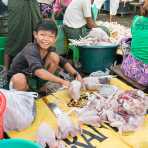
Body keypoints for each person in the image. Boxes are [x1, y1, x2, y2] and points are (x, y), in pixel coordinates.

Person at [7, 19, 82, 92]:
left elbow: (63, 62)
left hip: (32, 77)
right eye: (42, 35)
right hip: (17, 82)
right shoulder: (30, 49)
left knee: (55, 57)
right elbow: (39, 71)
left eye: (50, 36)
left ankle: (40, 87)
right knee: (19, 78)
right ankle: (24, 97)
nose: (46, 39)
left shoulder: (50, 48)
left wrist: (76, 74)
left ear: (55, 39)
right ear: (35, 34)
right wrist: (62, 81)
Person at [4, 0, 42, 70]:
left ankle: (34, 66)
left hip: (32, 7)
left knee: (36, 34)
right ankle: (6, 69)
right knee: (13, 37)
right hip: (17, 8)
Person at [121, 0, 148, 86]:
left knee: (126, 40)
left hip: (129, 68)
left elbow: (134, 34)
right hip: (145, 77)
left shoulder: (136, 20)